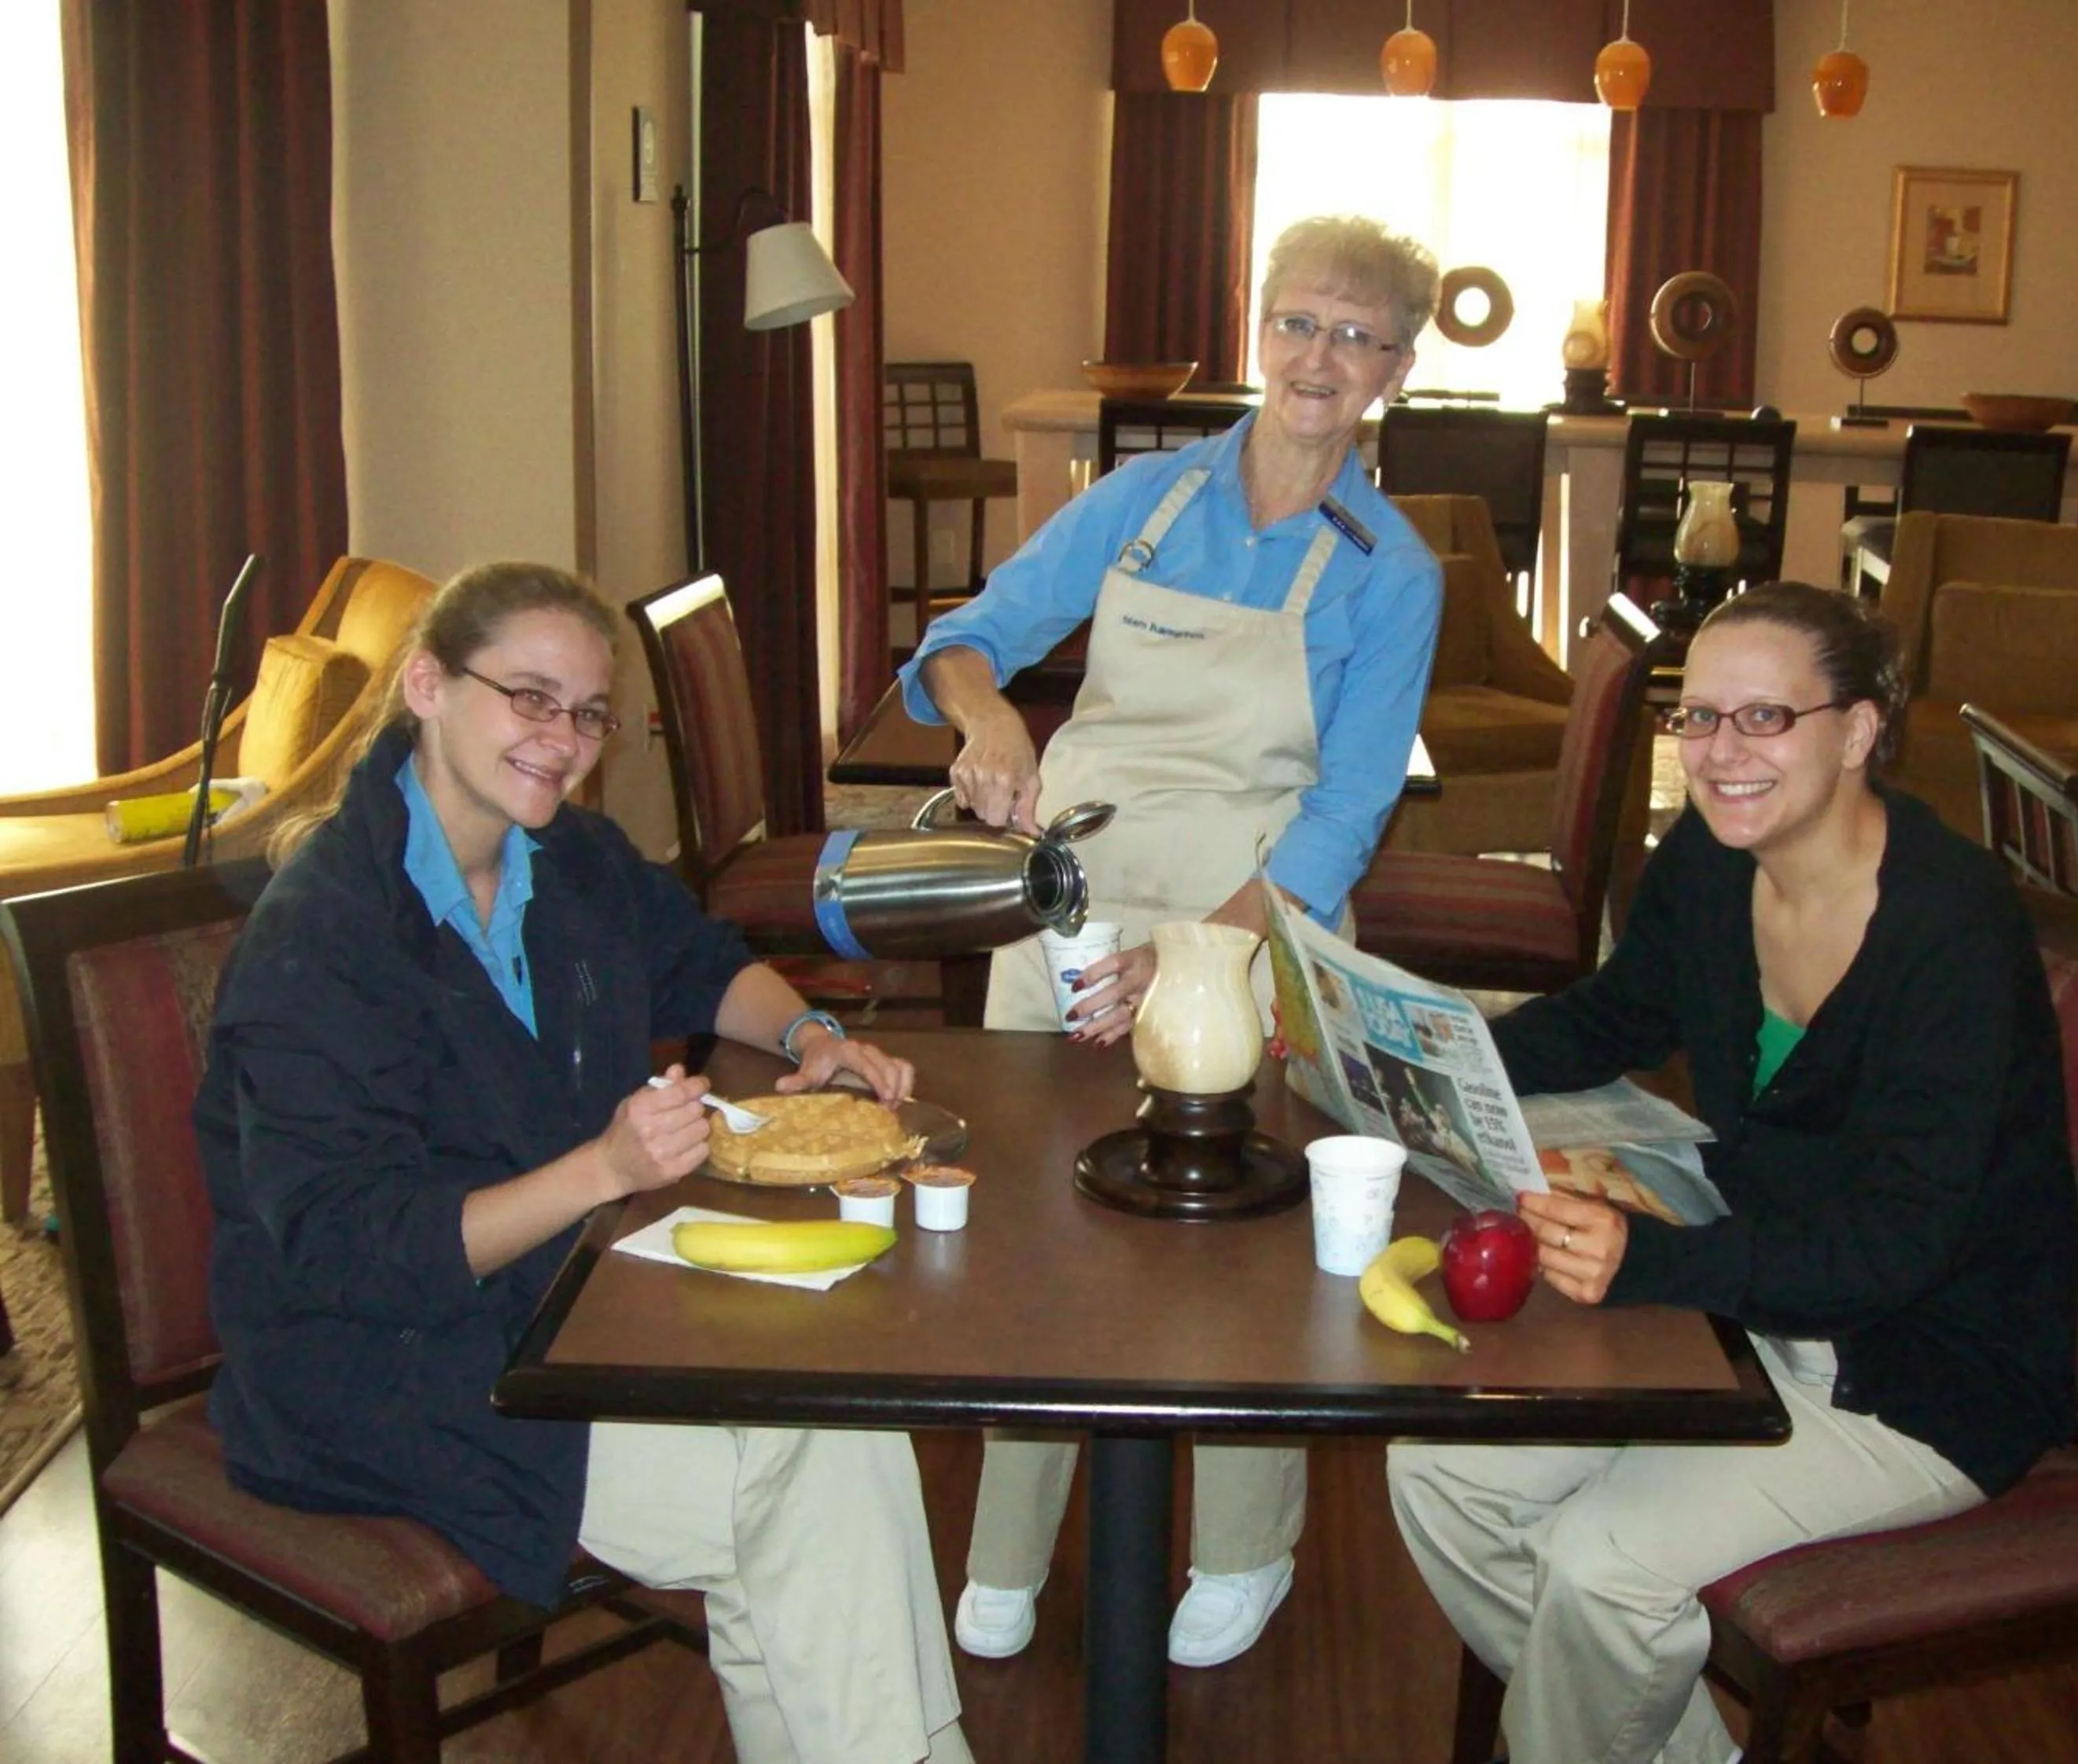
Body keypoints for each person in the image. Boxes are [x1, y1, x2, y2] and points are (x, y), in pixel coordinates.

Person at [197, 562, 972, 1764]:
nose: (563, 741)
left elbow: (697, 958)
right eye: (530, 698)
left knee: (835, 1438)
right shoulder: (330, 935)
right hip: (379, 1366)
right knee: (806, 1492)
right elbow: (355, 1248)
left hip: (569, 1307)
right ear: (427, 686)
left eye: (590, 713)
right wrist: (603, 1170)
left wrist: (814, 1037)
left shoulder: (568, 860)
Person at [1387, 582, 2078, 1763]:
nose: (1719, 754)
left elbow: (1898, 1246)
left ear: (1860, 731)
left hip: (1918, 1368)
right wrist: (1428, 1057)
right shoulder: (1712, 866)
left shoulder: (1951, 932)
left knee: (1600, 1567)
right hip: (1755, 1307)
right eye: (1697, 718)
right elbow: (1612, 1016)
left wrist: (1655, 1261)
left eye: (1764, 719)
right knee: (1441, 1473)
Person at [902, 215, 1444, 1668]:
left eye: (1355, 334)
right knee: (1039, 1212)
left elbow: (1344, 814)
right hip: (1072, 897)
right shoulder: (1141, 499)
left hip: (1247, 918)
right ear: (1258, 328)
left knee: (1229, 1241)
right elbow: (959, 639)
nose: (1319, 356)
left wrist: (1196, 958)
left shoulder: (1392, 569)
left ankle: (1243, 1542)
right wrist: (993, 712)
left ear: (1396, 366)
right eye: (1298, 322)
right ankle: (1009, 1537)